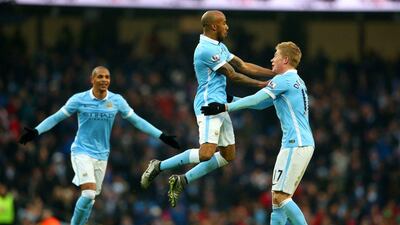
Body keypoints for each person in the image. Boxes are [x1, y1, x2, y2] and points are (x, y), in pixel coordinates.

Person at [140, 10, 275, 207]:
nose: (227, 27)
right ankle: (158, 166)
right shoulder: (205, 49)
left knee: (228, 155)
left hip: (221, 104)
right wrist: (263, 85)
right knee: (206, 153)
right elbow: (233, 75)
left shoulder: (219, 46)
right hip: (209, 105)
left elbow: (243, 65)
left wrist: (273, 74)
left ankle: (181, 180)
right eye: (224, 23)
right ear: (214, 26)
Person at [18, 66, 180, 225]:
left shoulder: (116, 100)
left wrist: (162, 136)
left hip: (102, 155)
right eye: (100, 77)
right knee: (88, 194)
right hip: (81, 151)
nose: (104, 80)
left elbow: (137, 121)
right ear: (92, 79)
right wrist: (36, 131)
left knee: (91, 199)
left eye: (107, 77)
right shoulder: (79, 99)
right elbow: (56, 117)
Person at [201, 41, 314, 225]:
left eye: (275, 55)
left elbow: (254, 100)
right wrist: (231, 99)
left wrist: (223, 106)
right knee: (277, 201)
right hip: (296, 144)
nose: (272, 59)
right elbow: (261, 104)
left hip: (297, 143)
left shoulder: (283, 79)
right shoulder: (295, 81)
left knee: (281, 197)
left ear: (285, 59)